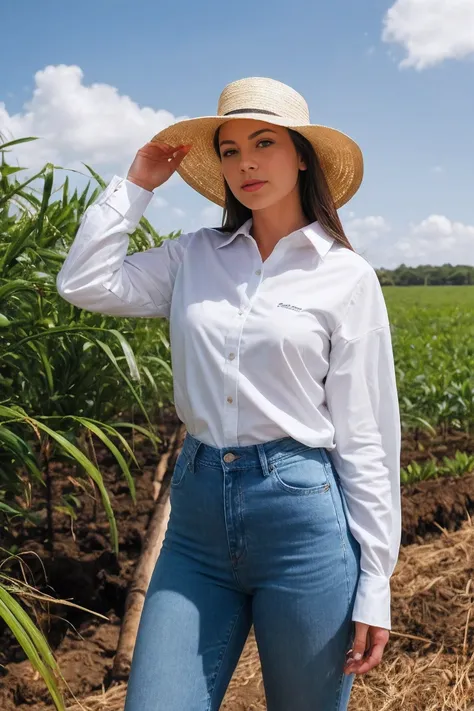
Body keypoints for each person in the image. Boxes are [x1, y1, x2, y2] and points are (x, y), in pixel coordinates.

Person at [56, 76, 401, 711]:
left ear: (302, 155)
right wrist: (136, 183)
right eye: (230, 148)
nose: (245, 162)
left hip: (302, 521)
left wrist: (376, 579)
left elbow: (368, 435)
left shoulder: (346, 277)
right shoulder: (193, 256)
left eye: (264, 142)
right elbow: (84, 282)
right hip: (196, 521)